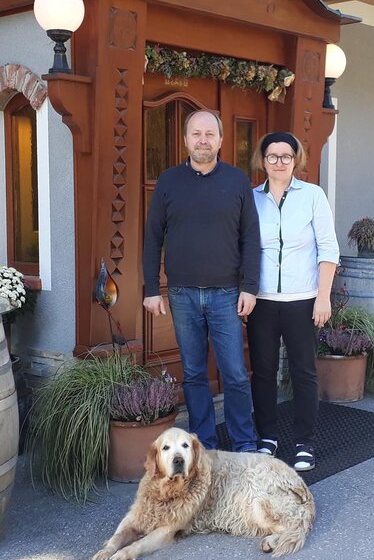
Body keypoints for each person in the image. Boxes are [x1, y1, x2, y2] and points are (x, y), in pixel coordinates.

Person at [143, 110, 260, 453]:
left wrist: (249, 287)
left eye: (210, 134)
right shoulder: (168, 181)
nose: (203, 140)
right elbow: (153, 237)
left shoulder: (237, 181)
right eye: (196, 133)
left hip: (227, 294)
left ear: (221, 140)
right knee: (193, 373)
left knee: (235, 374)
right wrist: (151, 289)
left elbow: (250, 238)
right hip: (182, 294)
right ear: (185, 139)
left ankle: (244, 444)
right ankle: (204, 444)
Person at [247, 132, 339, 472]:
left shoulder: (312, 196)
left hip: (303, 300)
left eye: (286, 156)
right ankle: (267, 437)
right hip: (263, 302)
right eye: (273, 156)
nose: (280, 162)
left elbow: (328, 248)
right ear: (263, 160)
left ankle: (305, 442)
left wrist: (323, 297)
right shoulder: (251, 198)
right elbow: (245, 249)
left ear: (295, 159)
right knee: (263, 372)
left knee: (303, 371)